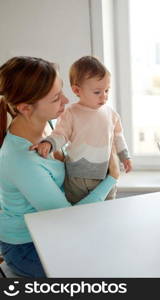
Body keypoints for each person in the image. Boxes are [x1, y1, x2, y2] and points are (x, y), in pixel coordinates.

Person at [0, 56, 120, 277]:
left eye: (62, 91)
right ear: (26, 108)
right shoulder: (21, 159)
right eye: (56, 98)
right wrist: (112, 177)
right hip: (27, 246)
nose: (66, 101)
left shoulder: (51, 124)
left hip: (51, 227)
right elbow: (65, 217)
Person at [31, 56, 132, 204]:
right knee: (77, 211)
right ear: (77, 90)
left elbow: (118, 137)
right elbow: (60, 134)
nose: (104, 96)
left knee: (108, 208)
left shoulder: (111, 113)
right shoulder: (70, 112)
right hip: (76, 177)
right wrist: (49, 143)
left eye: (107, 90)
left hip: (104, 174)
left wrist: (125, 156)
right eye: (97, 92)